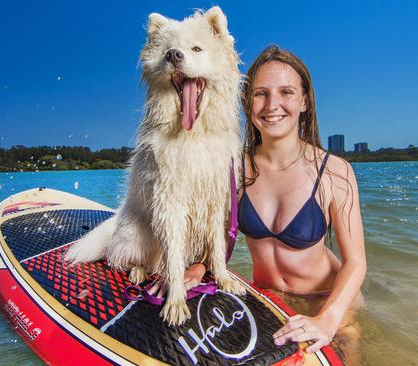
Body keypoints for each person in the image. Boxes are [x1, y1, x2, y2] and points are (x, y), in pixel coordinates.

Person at [150, 45, 366, 363]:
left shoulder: (334, 171)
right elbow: (223, 232)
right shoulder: (235, 166)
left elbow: (356, 262)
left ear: (305, 101)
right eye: (260, 93)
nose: (272, 105)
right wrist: (199, 266)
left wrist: (328, 320)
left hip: (331, 301)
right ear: (247, 102)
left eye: (286, 92)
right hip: (268, 299)